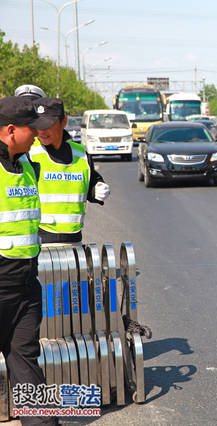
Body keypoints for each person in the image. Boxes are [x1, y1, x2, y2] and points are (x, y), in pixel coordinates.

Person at [0, 96, 58, 425]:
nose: (37, 135)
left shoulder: (25, 167)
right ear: (10, 131)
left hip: (24, 289)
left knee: (27, 367)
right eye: (30, 130)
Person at [27, 97, 109, 245]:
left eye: (48, 125)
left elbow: (90, 182)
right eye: (38, 125)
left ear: (63, 122)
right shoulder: (29, 154)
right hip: (40, 242)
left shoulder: (81, 154)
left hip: (74, 243)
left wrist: (97, 189)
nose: (42, 131)